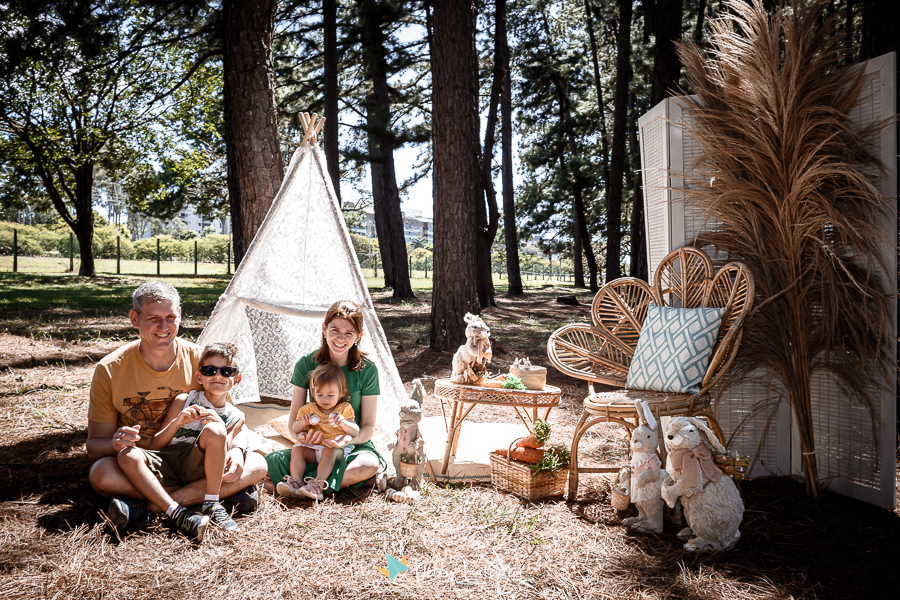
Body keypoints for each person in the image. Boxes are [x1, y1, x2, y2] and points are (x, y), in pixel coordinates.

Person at [86, 281, 267, 536]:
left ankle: (150, 507)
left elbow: (229, 416)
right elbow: (94, 446)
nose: (164, 327)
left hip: (199, 459)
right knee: (101, 474)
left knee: (257, 464)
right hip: (148, 463)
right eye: (153, 318)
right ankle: (213, 495)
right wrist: (115, 443)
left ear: (180, 316)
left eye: (171, 317)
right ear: (134, 319)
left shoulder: (202, 361)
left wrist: (237, 450)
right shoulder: (110, 369)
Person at [115, 342, 248, 537]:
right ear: (199, 377)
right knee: (126, 454)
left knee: (215, 431)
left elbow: (222, 451)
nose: (218, 376)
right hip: (168, 460)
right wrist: (178, 422)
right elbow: (156, 445)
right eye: (210, 370)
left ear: (236, 379)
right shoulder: (184, 400)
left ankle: (211, 503)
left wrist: (219, 424)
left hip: (198, 466)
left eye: (226, 371)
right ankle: (177, 513)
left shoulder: (236, 416)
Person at [265, 300, 386, 496]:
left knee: (367, 465)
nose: (340, 338)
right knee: (270, 461)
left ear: (358, 337)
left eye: (349, 333)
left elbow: (368, 427)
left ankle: (309, 484)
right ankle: (336, 482)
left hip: (351, 444)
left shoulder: (368, 370)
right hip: (314, 444)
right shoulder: (306, 364)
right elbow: (294, 419)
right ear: (324, 329)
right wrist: (301, 436)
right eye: (335, 330)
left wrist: (347, 441)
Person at [276, 364, 360, 500]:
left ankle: (317, 486)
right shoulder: (308, 409)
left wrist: (344, 423)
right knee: (297, 450)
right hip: (314, 449)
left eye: (330, 395)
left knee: (329, 449)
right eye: (319, 394)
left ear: (342, 392)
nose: (325, 399)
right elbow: (295, 429)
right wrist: (304, 423)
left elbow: (355, 431)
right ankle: (295, 483)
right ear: (313, 392)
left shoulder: (344, 408)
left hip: (336, 450)